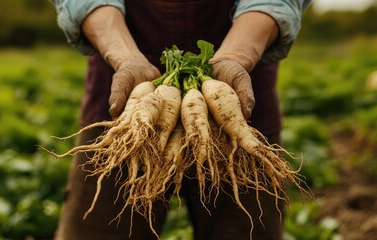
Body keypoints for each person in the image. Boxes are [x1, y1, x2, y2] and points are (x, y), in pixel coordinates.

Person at [50, 0, 311, 239]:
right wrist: (125, 57)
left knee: (245, 228)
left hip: (237, 98)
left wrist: (236, 56)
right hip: (126, 105)